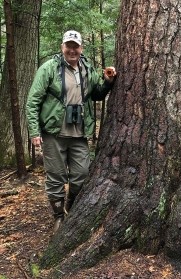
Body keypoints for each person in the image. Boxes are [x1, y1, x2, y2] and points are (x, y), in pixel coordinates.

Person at [26, 30, 116, 233]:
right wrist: (34, 131)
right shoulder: (49, 68)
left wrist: (108, 82)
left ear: (81, 48)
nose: (72, 50)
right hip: (53, 133)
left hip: (79, 133)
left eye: (76, 46)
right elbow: (33, 102)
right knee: (56, 176)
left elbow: (97, 95)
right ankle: (58, 217)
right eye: (69, 46)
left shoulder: (87, 69)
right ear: (62, 47)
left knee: (81, 176)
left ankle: (71, 207)